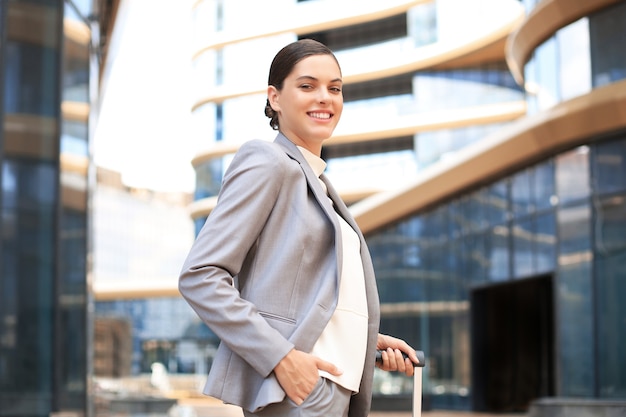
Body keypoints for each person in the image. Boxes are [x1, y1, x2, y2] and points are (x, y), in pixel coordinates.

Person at [179, 38, 420, 417]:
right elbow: (200, 275)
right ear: (275, 98)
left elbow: (307, 297)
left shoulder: (319, 184)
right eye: (307, 86)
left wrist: (365, 342)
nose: (324, 97)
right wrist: (281, 358)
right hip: (299, 388)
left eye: (334, 88)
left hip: (332, 384)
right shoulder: (267, 160)